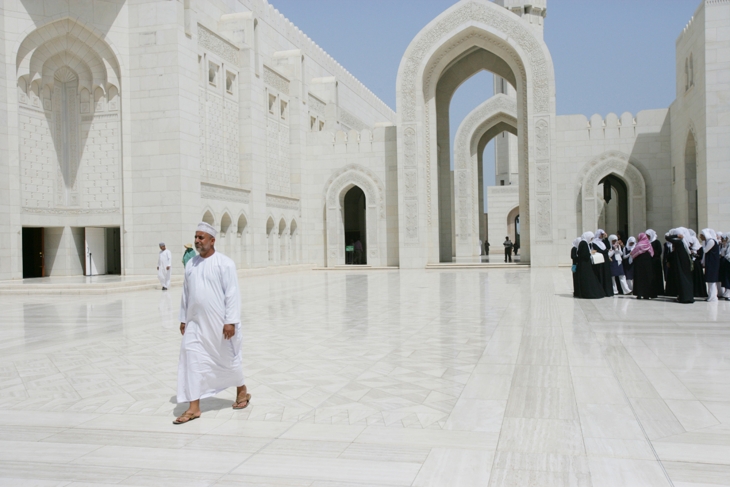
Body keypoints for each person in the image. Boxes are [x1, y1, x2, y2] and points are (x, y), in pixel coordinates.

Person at [174, 222, 249, 425]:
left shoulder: (225, 264)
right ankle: (194, 407)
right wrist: (183, 318)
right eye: (196, 237)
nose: (197, 241)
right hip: (195, 324)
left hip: (219, 324)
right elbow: (186, 294)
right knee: (191, 358)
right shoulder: (191, 264)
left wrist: (230, 321)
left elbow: (232, 294)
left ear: (212, 241)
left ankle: (241, 389)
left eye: (201, 238)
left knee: (227, 359)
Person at [665, 228, 694, 304]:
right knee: (685, 280)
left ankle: (684, 297)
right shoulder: (682, 243)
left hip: (681, 265)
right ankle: (684, 296)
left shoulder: (678, 242)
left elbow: (667, 237)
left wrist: (676, 235)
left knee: (682, 280)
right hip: (684, 264)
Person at [575, 232, 605, 299]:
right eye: (591, 238)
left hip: (583, 265)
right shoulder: (584, 243)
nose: (591, 239)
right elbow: (584, 255)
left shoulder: (583, 243)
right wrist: (591, 253)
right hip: (585, 265)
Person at [630, 233, 655, 299]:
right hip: (647, 265)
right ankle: (646, 295)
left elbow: (633, 254)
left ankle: (639, 294)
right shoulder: (649, 245)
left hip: (639, 265)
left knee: (639, 279)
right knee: (647, 278)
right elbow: (652, 254)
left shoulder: (638, 245)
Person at [700, 228, 720, 302]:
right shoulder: (708, 241)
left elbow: (705, 250)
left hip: (713, 264)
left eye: (702, 235)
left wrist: (703, 243)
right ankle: (710, 296)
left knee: (712, 281)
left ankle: (713, 297)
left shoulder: (711, 241)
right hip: (710, 263)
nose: (700, 237)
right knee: (710, 281)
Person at [591, 230, 613, 297]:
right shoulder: (594, 243)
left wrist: (606, 238)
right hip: (600, 262)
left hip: (605, 261)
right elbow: (598, 251)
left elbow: (608, 247)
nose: (602, 235)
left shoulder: (603, 242)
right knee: (601, 274)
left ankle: (608, 291)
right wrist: (605, 251)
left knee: (606, 275)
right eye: (601, 234)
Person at [688, 230, 708, 298]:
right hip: (691, 266)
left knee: (698, 279)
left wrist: (694, 254)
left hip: (697, 266)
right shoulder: (689, 248)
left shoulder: (700, 248)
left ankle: (699, 292)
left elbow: (701, 257)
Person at [646, 229, 664, 297]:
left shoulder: (656, 242)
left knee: (657, 276)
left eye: (648, 236)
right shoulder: (647, 243)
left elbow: (659, 252)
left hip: (656, 262)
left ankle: (658, 290)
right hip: (649, 262)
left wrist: (652, 252)